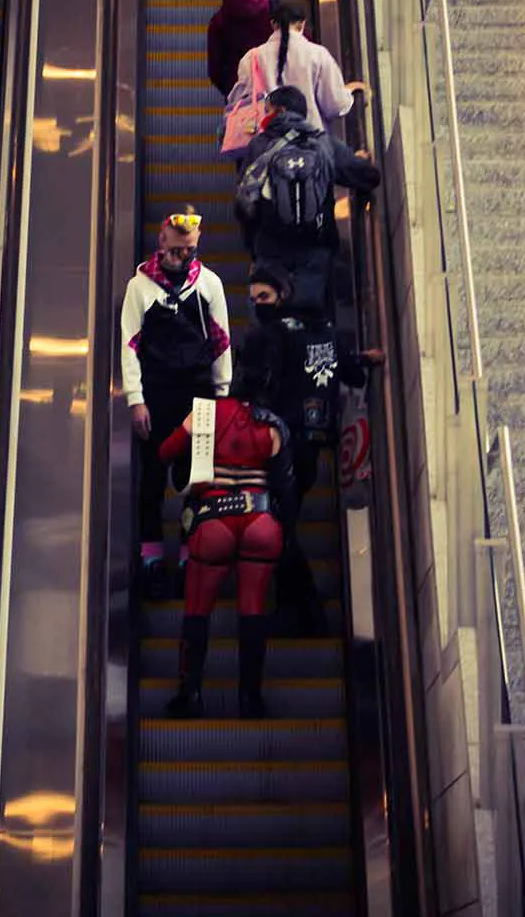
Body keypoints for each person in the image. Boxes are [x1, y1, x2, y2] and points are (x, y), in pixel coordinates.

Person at [239, 260, 382, 634]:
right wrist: (364, 359)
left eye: (264, 296)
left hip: (278, 448)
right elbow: (348, 371)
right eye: (255, 298)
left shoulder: (267, 336)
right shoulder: (325, 332)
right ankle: (294, 611)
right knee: (278, 526)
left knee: (275, 530)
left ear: (282, 295)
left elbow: (249, 384)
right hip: (313, 446)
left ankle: (310, 615)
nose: (259, 304)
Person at [157, 363, 292, 719]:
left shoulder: (206, 413)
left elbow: (166, 451)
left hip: (213, 518)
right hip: (260, 520)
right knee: (253, 609)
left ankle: (191, 694)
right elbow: (284, 484)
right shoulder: (275, 425)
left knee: (198, 608)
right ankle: (250, 699)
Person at [122, 209, 233, 596]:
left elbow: (222, 343)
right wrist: (136, 399)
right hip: (156, 393)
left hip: (199, 395)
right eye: (177, 247)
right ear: (161, 240)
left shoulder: (210, 285)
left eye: (189, 250)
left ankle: (190, 557)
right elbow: (129, 345)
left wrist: (222, 396)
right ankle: (151, 559)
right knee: (151, 480)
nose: (182, 256)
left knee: (196, 481)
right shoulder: (140, 287)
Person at [236, 86, 381, 316]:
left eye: (268, 111)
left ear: (280, 111)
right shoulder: (323, 143)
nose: (264, 116)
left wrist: (254, 250)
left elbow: (243, 205)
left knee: (271, 324)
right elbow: (368, 177)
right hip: (315, 251)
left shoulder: (259, 147)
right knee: (314, 321)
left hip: (271, 251)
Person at [247, 0, 365, 132]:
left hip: (267, 143)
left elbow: (241, 101)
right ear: (302, 24)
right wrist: (348, 92)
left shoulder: (252, 57)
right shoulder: (318, 54)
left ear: (273, 25)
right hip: (310, 141)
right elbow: (335, 105)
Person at [206, 0, 274, 99]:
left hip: (237, 89)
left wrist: (229, 88)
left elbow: (214, 67)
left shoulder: (220, 18)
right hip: (273, 89)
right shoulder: (275, 11)